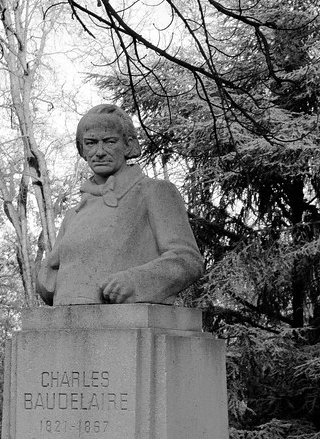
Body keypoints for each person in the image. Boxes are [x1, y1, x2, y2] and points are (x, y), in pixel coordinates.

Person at [36, 104, 204, 305]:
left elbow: (188, 260)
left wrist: (137, 282)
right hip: (65, 325)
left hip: (126, 325)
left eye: (109, 141)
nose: (99, 152)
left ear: (128, 145)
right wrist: (45, 279)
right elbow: (52, 280)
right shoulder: (74, 214)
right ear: (82, 149)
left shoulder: (154, 192)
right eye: (90, 143)